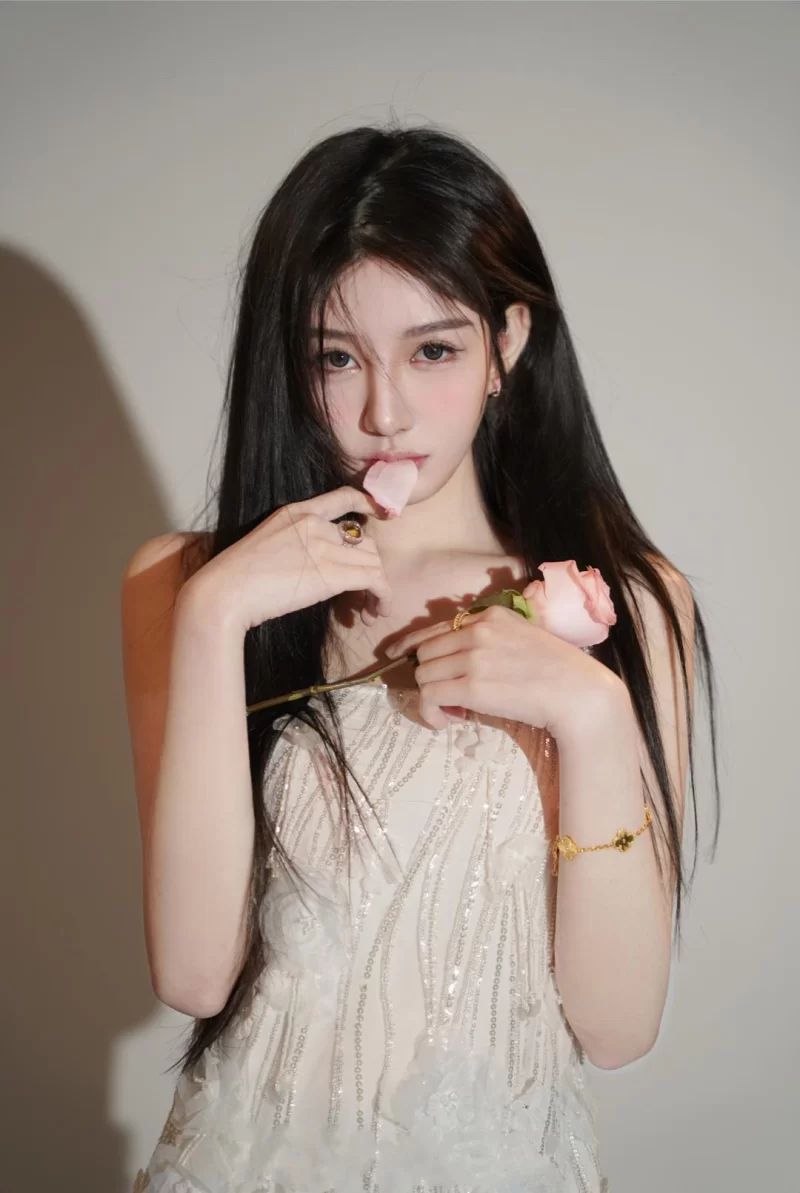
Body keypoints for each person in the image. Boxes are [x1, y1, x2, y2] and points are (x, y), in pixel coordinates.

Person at [121, 121, 721, 1193]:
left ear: (508, 343)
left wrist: (589, 716)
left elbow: (617, 1024)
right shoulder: (189, 585)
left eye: (432, 350)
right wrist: (213, 620)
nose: (382, 411)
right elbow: (197, 973)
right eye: (335, 356)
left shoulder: (631, 599)